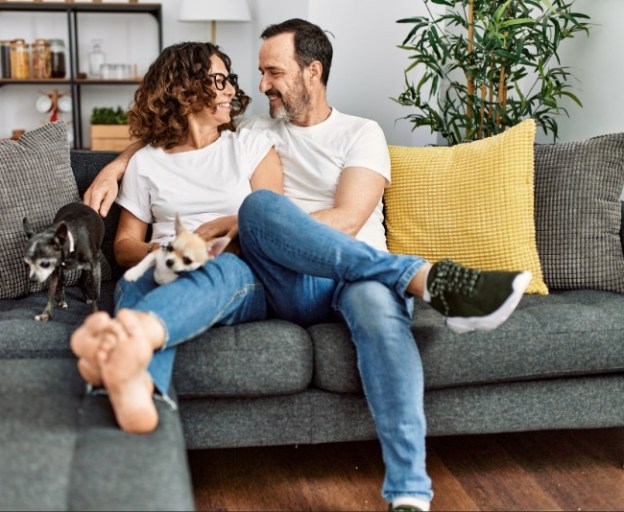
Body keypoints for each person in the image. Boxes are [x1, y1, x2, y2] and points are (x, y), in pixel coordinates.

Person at [77, 21, 530, 512]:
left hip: (355, 274)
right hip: (286, 281)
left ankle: (410, 492)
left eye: (273, 72)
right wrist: (115, 162)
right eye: (254, 73)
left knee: (279, 228)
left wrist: (233, 224)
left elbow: (348, 219)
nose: (260, 84)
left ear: (312, 72)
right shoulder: (254, 130)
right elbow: (174, 135)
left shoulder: (360, 133)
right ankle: (425, 278)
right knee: (258, 214)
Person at [71, 41, 284, 434]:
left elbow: (273, 224)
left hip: (236, 270)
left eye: (229, 80)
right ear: (184, 89)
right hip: (166, 263)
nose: (231, 92)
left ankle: (119, 347)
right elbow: (123, 247)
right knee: (141, 282)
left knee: (220, 270)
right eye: (218, 81)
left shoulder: (251, 147)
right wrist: (165, 252)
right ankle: (138, 388)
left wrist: (213, 243)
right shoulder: (147, 161)